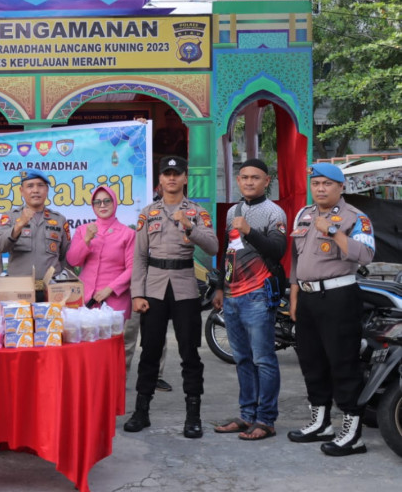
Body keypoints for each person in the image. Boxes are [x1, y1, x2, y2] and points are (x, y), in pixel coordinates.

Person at [124, 156, 218, 438]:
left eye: (177, 173)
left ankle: (193, 415)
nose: (172, 178)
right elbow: (139, 257)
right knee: (150, 350)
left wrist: (189, 226)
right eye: (167, 173)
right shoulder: (148, 213)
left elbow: (213, 247)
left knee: (190, 352)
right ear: (160, 180)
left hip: (185, 287)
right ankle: (141, 412)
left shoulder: (197, 212)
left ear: (185, 178)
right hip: (153, 288)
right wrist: (136, 294)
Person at [287, 163, 375, 456]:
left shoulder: (356, 218)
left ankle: (352, 435)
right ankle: (320, 424)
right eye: (316, 184)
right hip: (308, 299)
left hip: (339, 297)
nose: (320, 189)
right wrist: (295, 295)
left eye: (327, 184)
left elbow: (365, 255)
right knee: (312, 362)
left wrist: (334, 230)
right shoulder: (304, 215)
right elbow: (297, 259)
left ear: (341, 187)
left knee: (343, 364)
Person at [212, 159, 287, 440]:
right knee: (242, 358)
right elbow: (227, 252)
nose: (248, 182)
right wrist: (220, 287)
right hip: (232, 296)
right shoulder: (233, 211)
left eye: (255, 178)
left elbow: (278, 250)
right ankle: (247, 415)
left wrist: (249, 231)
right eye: (244, 177)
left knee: (263, 359)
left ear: (267, 181)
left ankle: (265, 419)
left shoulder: (273, 212)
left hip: (258, 294)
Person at [0, 168, 70, 297]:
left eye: (40, 186)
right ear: (21, 191)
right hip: (18, 290)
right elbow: (0, 246)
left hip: (51, 290)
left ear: (46, 190)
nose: (35, 190)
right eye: (30, 186)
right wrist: (18, 226)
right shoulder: (10, 217)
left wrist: (62, 285)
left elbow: (66, 257)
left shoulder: (58, 219)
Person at [66, 184, 135, 319]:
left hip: (115, 302)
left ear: (114, 202)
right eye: (97, 202)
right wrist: (86, 240)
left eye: (106, 201)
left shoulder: (128, 234)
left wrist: (109, 289)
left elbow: (132, 269)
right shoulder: (83, 230)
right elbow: (73, 261)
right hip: (85, 302)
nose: (102, 205)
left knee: (114, 340)